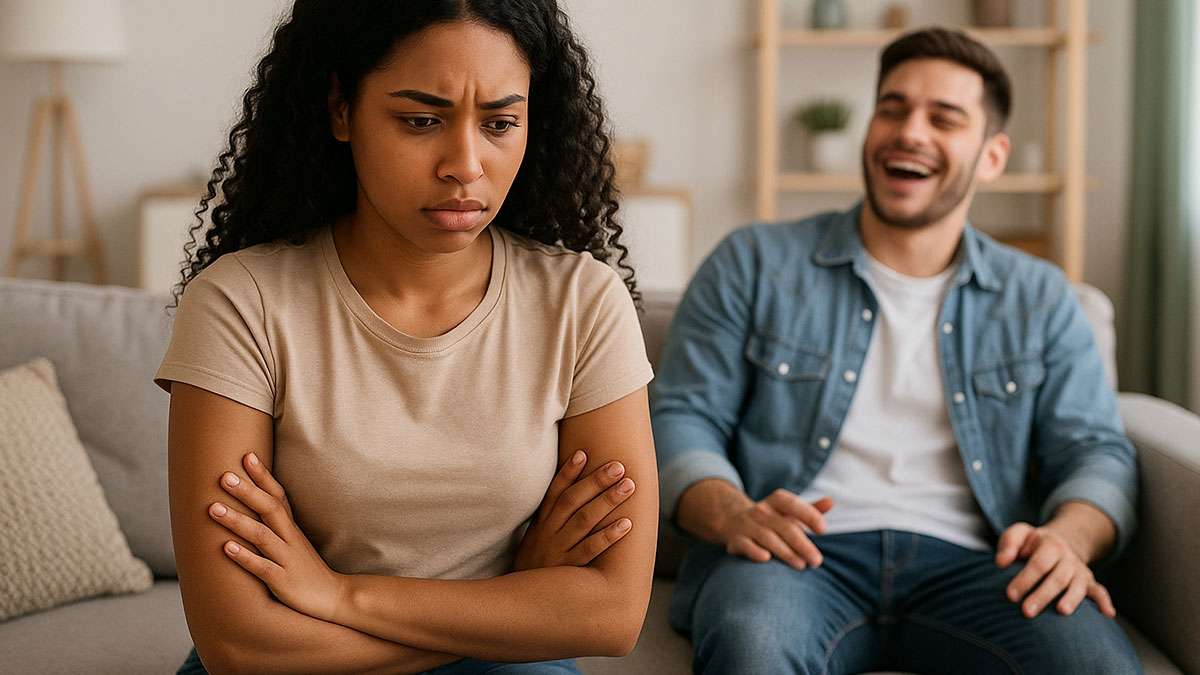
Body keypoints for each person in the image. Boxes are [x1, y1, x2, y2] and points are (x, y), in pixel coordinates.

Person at [155, 2, 658, 673]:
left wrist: (339, 595)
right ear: (341, 110)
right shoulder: (239, 303)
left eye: (501, 123)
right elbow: (241, 642)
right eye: (421, 120)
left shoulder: (583, 303)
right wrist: (510, 606)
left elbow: (611, 613)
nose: (465, 164)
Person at [652, 27, 1141, 674]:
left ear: (992, 157)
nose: (909, 130)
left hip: (983, 566)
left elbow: (1097, 450)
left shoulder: (1044, 298)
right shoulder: (753, 263)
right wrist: (732, 509)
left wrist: (1069, 536)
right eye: (892, 107)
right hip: (795, 558)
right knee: (753, 643)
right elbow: (681, 415)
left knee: (1095, 664)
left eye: (943, 118)